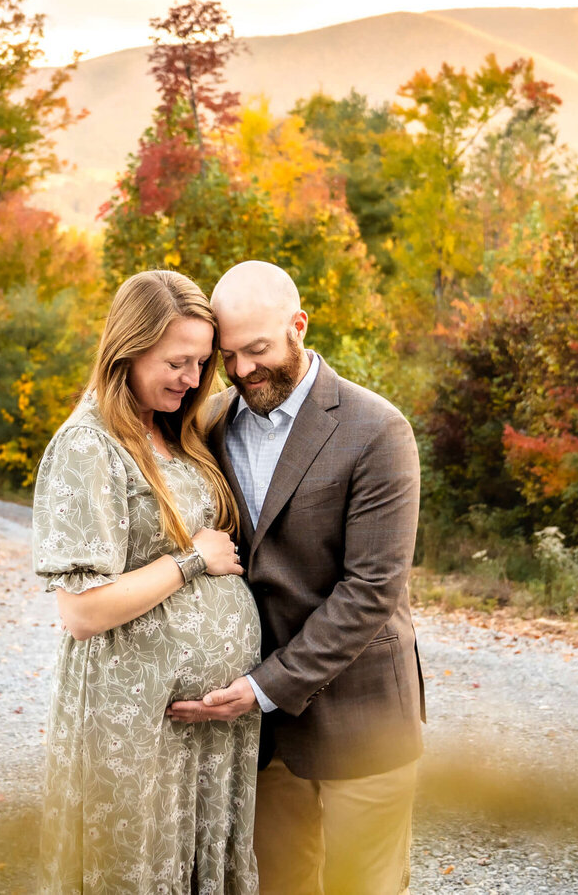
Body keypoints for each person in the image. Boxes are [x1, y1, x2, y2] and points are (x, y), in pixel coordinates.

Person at [169, 260, 426, 895]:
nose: (244, 370)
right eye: (228, 356)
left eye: (257, 350)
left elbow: (370, 591)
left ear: (298, 327)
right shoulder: (208, 427)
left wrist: (263, 686)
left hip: (360, 712)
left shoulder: (378, 431)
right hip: (260, 733)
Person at [32, 270, 260, 894]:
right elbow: (81, 612)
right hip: (133, 721)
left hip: (204, 730)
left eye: (200, 363)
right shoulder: (88, 444)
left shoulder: (173, 431)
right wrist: (192, 561)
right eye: (176, 362)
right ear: (129, 349)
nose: (192, 380)